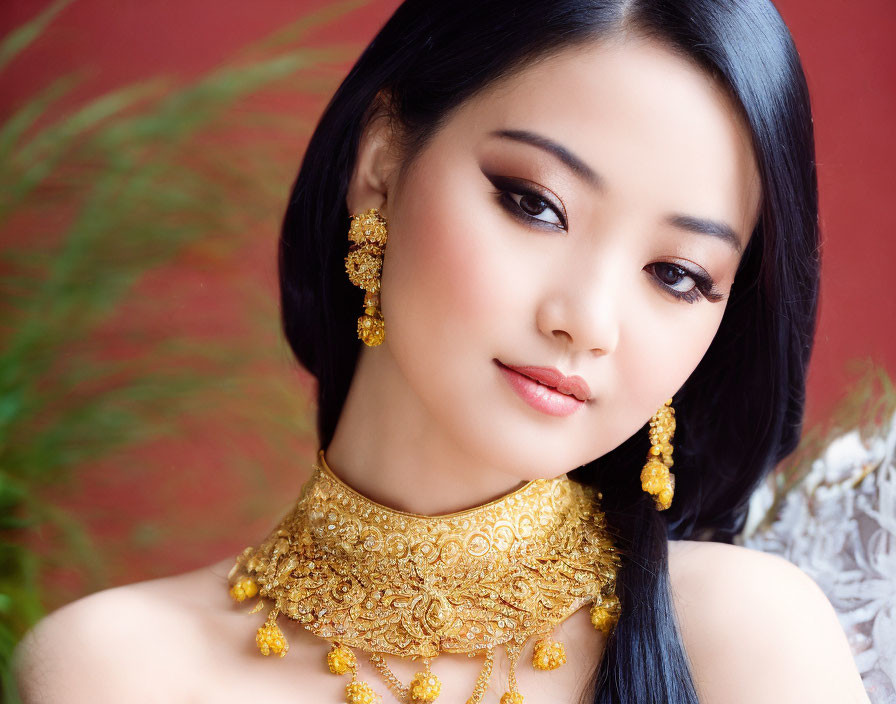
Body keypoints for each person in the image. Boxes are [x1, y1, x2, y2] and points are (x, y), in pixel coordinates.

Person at [12, 0, 872, 702]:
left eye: (678, 275)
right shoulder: (113, 671)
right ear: (381, 166)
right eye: (535, 204)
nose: (589, 320)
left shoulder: (744, 636)